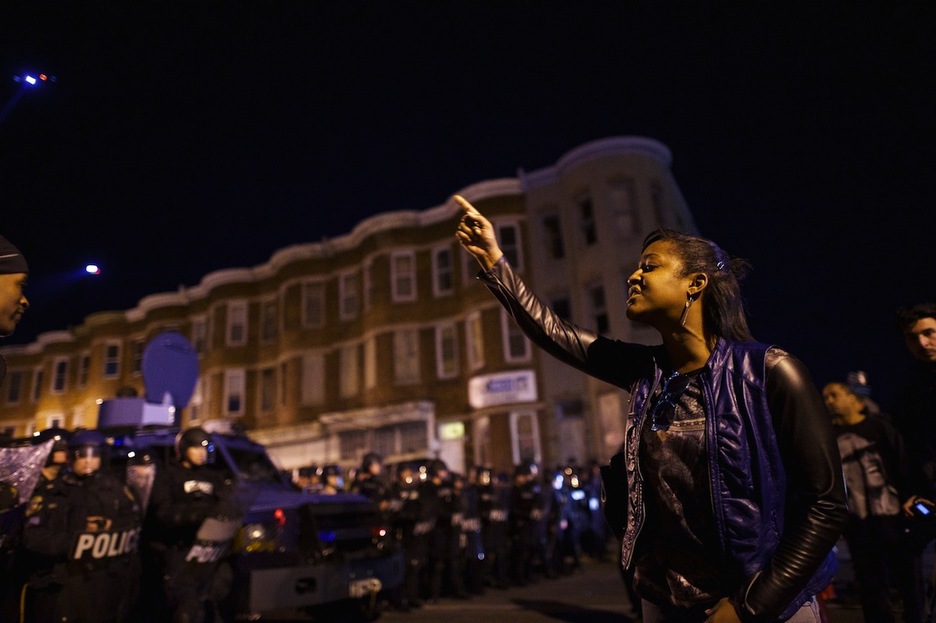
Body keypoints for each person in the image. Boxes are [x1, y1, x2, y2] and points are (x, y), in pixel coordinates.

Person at [454, 194, 847, 622]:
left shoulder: (770, 372)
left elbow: (825, 505)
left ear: (695, 284)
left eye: (650, 265)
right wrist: (495, 263)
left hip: (764, 603)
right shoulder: (647, 373)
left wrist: (749, 605)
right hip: (665, 599)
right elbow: (556, 334)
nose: (633, 276)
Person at [822, 380, 924, 623]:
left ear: (853, 397)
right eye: (825, 397)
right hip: (859, 525)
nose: (828, 401)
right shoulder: (830, 437)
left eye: (834, 395)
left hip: (894, 518)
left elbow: (902, 464)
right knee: (871, 586)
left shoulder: (880, 427)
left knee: (909, 581)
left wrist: (911, 497)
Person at [20, 429, 143, 623]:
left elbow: (134, 525)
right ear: (71, 457)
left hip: (104, 581)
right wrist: (76, 541)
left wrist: (111, 526)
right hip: (66, 580)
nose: (87, 461)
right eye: (81, 455)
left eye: (94, 455)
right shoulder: (57, 491)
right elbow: (33, 537)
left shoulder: (117, 490)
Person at [146, 426, 239, 623]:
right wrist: (197, 514)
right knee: (185, 612)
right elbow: (163, 513)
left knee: (213, 607)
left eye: (205, 448)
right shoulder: (168, 476)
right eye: (196, 448)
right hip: (180, 553)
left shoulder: (214, 477)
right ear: (184, 450)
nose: (201, 453)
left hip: (210, 555)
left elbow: (226, 507)